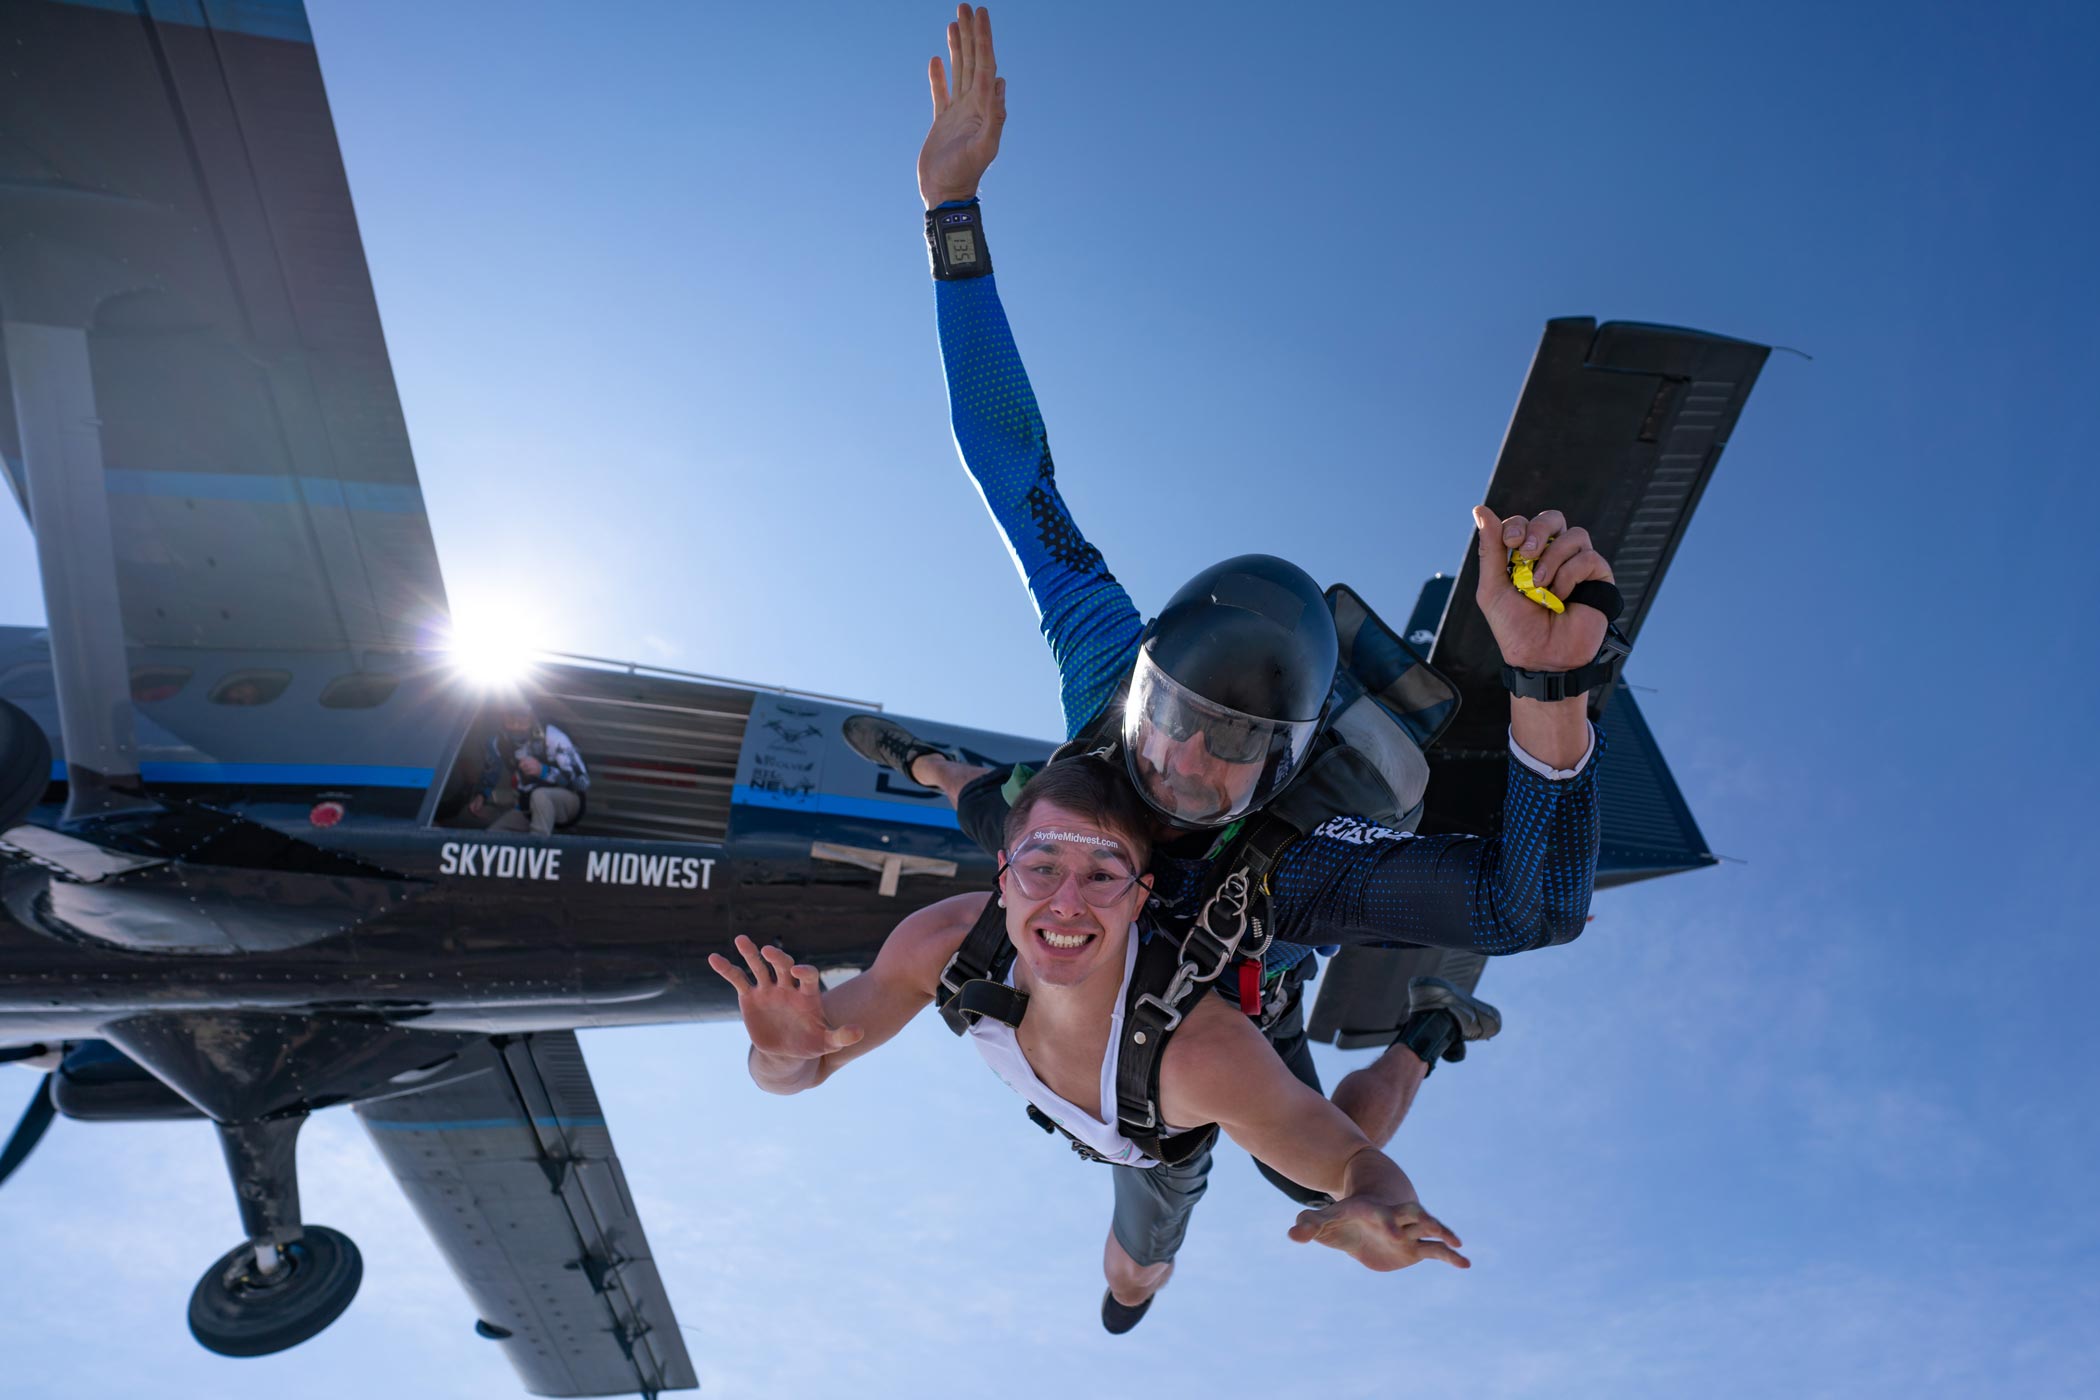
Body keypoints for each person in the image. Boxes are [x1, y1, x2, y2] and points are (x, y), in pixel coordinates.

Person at [834, 4, 1623, 1330]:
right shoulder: (1100, 675)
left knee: (1180, 1221)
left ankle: (1424, 1032)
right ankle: (1423, 1032)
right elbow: (1007, 467)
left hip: (1223, 1027)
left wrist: (1553, 697)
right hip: (1135, 985)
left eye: (1236, 753)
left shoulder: (1289, 853)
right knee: (1006, 814)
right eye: (1177, 723)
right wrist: (950, 217)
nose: (1190, 769)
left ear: (1288, 763)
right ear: (1138, 683)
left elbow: (1526, 905)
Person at [709, 757, 1472, 1314]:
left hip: (1176, 1101)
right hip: (1127, 1098)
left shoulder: (1202, 1058)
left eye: (1103, 876)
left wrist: (1383, 1202)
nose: (1067, 904)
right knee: (1133, 1277)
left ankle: (1432, 1028)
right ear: (1003, 875)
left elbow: (1351, 1161)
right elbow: (797, 1078)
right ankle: (936, 766)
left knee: (1230, 1220)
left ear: (1140, 895)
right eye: (1042, 869)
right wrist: (779, 1052)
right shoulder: (944, 941)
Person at [468, 698, 589, 835]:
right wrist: (481, 795)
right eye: (511, 718)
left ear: (532, 718)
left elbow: (582, 782)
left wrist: (543, 771)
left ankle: (537, 847)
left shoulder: (553, 736)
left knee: (540, 795)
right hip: (529, 807)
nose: (516, 725)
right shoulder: (499, 743)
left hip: (568, 803)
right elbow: (491, 771)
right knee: (493, 836)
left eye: (522, 719)